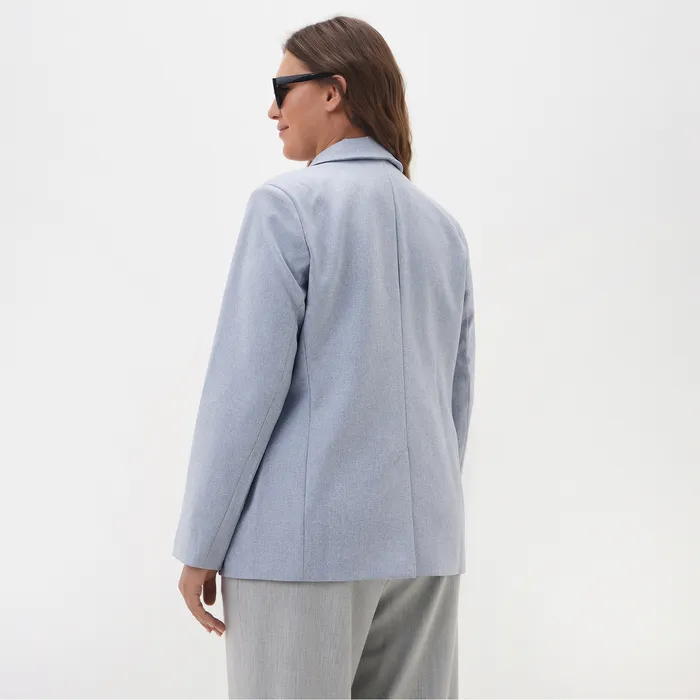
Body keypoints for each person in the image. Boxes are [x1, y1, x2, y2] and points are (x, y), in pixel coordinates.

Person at [172, 14, 476, 699]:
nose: (272, 109)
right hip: (426, 547)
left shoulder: (288, 206)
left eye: (284, 88)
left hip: (303, 548)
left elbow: (245, 391)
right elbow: (453, 400)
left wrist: (201, 543)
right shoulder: (444, 229)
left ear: (334, 91)